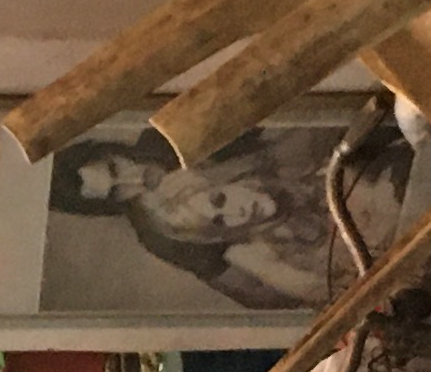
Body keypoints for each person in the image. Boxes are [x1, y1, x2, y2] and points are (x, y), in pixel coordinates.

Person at [45, 121, 409, 310]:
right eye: (115, 191)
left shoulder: (161, 137)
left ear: (110, 149)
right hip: (310, 237)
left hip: (321, 163)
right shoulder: (159, 235)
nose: (131, 179)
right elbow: (251, 290)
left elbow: (275, 126)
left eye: (114, 166)